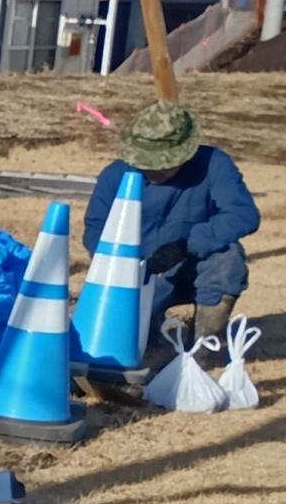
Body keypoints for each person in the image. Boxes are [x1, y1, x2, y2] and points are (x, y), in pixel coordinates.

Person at [86, 101, 259, 341]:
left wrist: (186, 245)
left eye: (164, 164)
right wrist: (122, 269)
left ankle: (202, 346)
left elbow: (243, 214)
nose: (155, 170)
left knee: (227, 259)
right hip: (136, 277)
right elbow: (96, 230)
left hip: (193, 265)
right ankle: (149, 327)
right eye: (147, 163)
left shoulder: (215, 164)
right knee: (128, 340)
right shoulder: (114, 175)